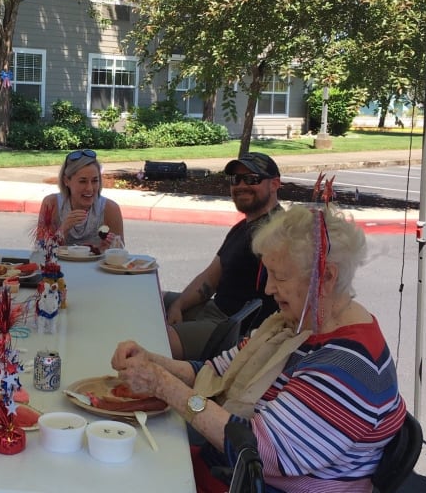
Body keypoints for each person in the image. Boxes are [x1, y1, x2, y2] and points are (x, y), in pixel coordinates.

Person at [113, 203, 406, 492]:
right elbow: (213, 371)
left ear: (326, 277)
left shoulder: (348, 368)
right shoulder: (293, 325)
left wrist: (165, 386)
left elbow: (261, 452)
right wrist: (152, 362)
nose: (268, 289)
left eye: (279, 276)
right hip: (224, 467)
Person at [164, 152, 282, 360]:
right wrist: (178, 305)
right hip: (214, 308)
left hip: (232, 328)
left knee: (155, 341)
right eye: (236, 179)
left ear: (274, 184)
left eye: (252, 179)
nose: (241, 185)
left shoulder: (278, 232)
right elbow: (210, 278)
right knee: (154, 298)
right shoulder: (243, 227)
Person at [37, 148, 124, 251]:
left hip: (95, 266)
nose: (90, 188)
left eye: (95, 181)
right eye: (82, 181)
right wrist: (63, 229)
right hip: (61, 266)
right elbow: (40, 250)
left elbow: (121, 253)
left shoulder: (110, 209)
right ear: (66, 181)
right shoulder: (52, 204)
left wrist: (108, 248)